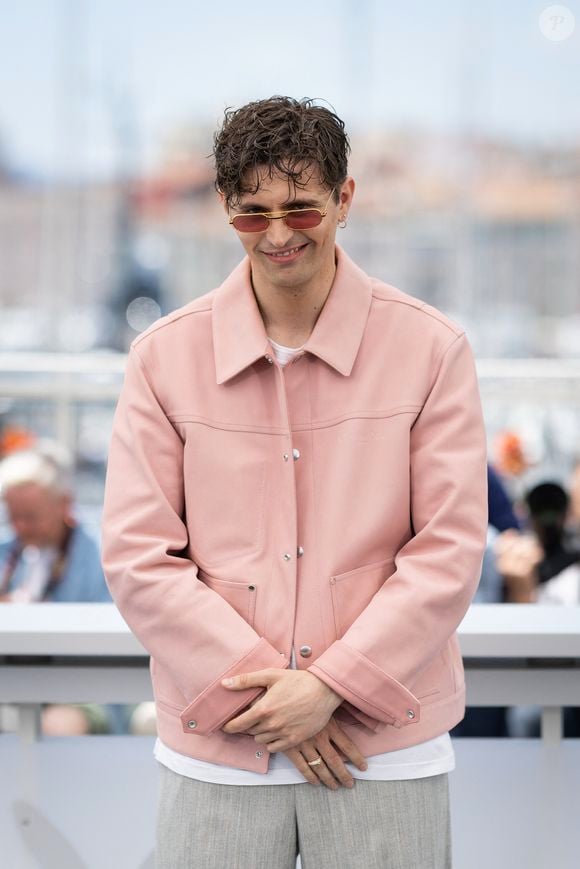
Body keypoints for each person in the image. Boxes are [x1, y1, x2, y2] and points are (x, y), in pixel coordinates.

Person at [101, 96, 488, 869]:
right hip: (221, 748)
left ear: (345, 198)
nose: (277, 235)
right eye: (252, 214)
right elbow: (139, 556)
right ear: (224, 207)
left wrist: (330, 687)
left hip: (384, 747)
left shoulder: (431, 349)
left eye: (300, 208)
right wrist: (280, 696)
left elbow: (447, 550)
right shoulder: (163, 358)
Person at [0, 440, 118, 736]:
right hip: (12, 681)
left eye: (31, 517)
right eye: (13, 517)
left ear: (64, 504)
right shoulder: (7, 550)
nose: (20, 527)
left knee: (60, 726)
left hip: (82, 688)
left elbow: (107, 635)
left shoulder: (102, 554)